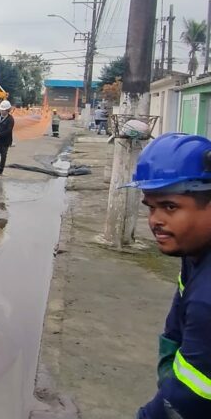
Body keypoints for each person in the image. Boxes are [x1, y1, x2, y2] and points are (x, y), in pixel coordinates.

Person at [124, 133, 211, 419]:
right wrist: (171, 348)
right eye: (151, 207)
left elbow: (188, 399)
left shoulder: (207, 300)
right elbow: (180, 308)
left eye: (170, 207)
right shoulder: (194, 249)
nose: (155, 221)